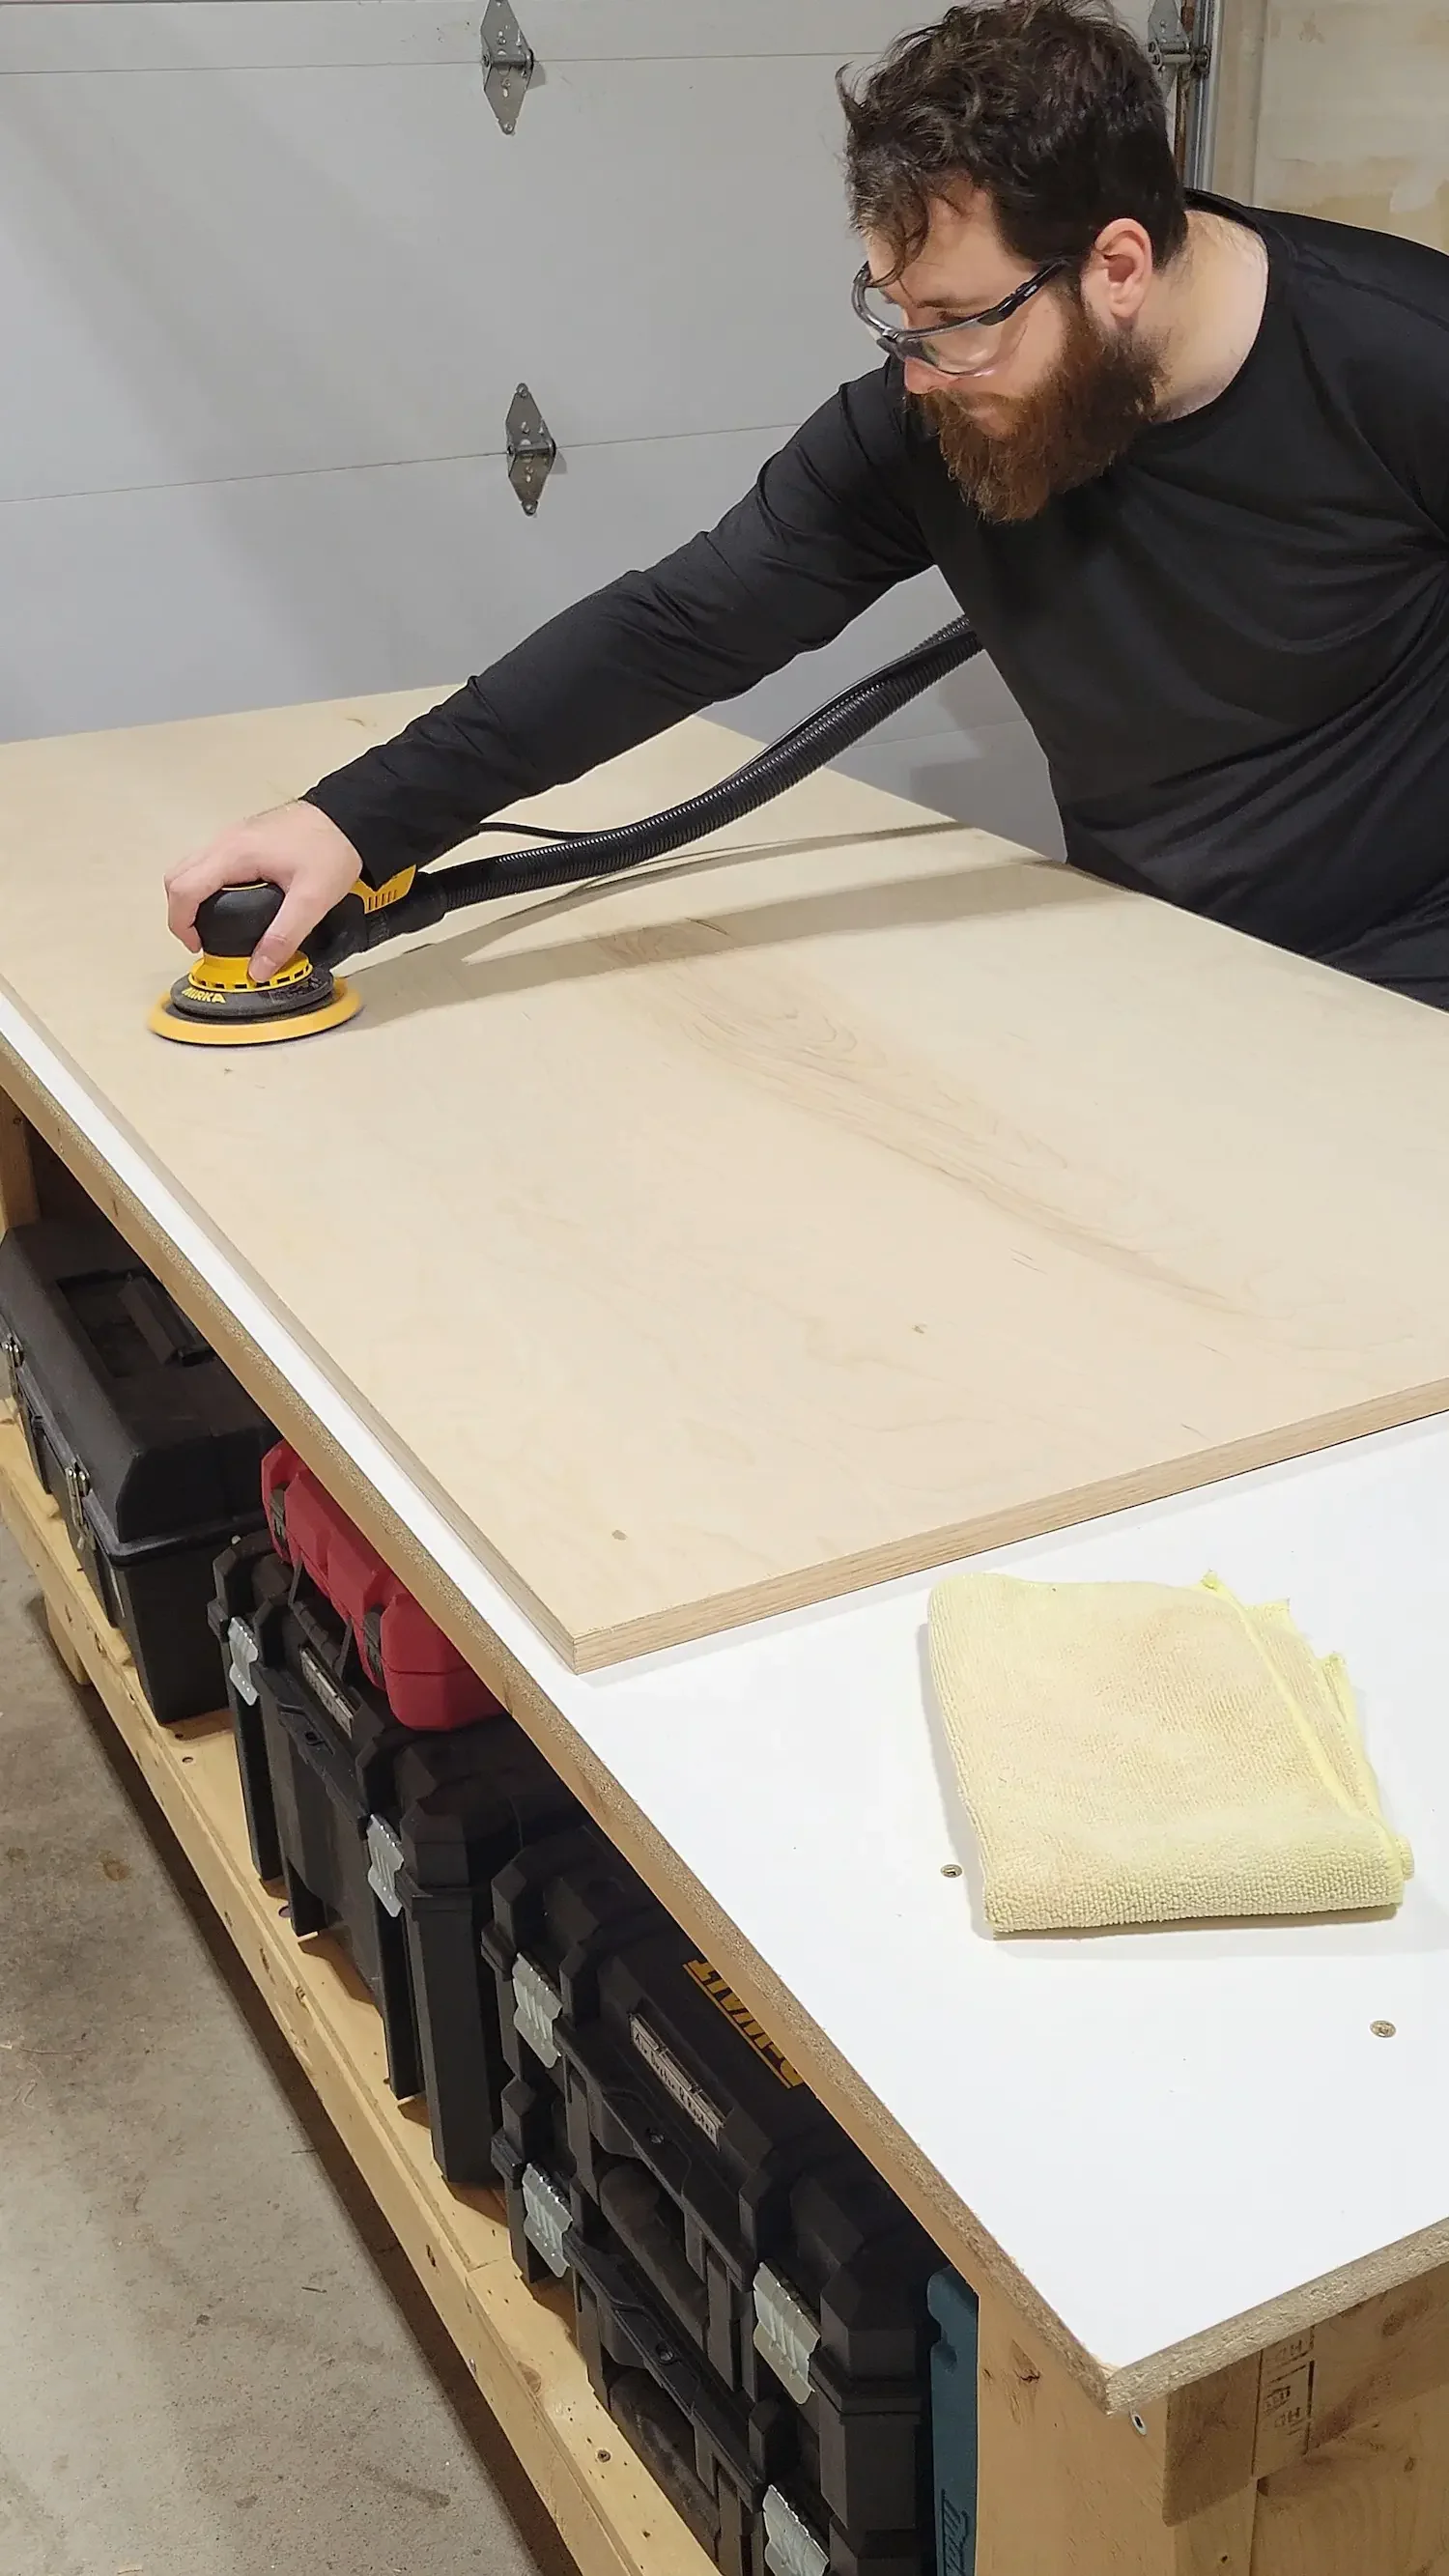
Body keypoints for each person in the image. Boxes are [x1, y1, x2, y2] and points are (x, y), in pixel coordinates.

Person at [166, 0, 1449, 1008]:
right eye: (897, 311)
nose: (919, 368)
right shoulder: (938, 416)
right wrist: (354, 815)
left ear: (1117, 264)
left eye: (957, 320)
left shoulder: (1401, 361)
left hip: (1406, 999)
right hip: (1153, 963)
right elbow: (678, 624)